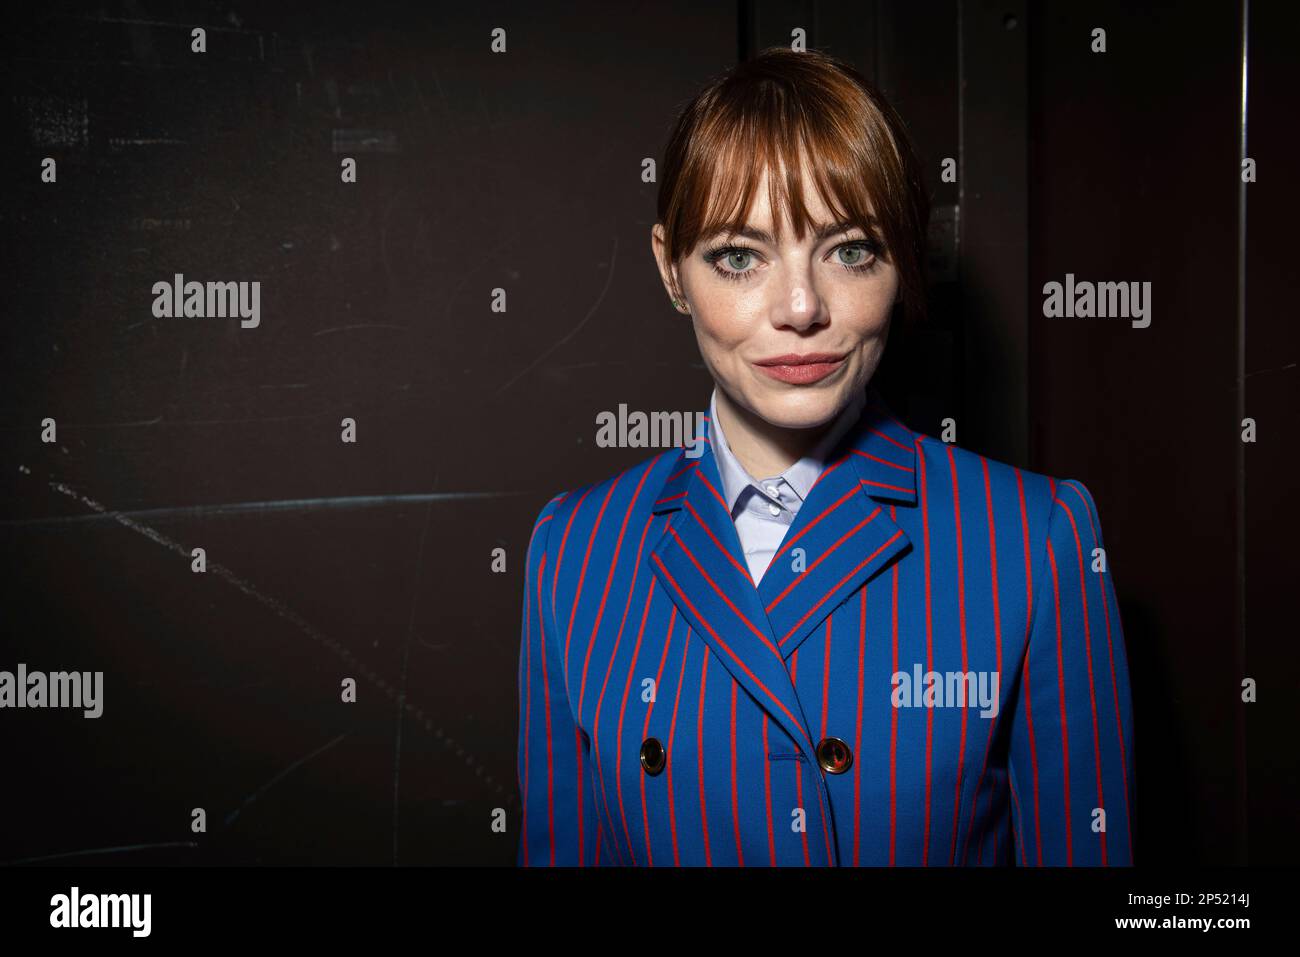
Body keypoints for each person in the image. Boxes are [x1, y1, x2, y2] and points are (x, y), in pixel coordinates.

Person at [516, 46, 1134, 866]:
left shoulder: (1033, 539)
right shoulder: (575, 551)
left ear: (904, 262)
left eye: (851, 250)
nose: (801, 308)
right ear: (671, 269)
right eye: (739, 256)